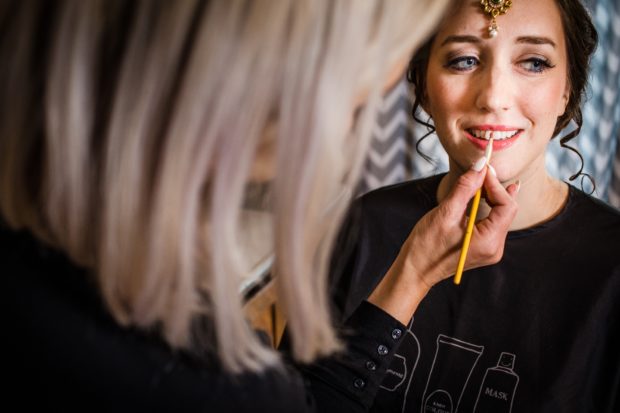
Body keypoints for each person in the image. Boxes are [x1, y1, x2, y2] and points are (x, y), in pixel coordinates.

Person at [0, 1, 521, 412]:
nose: (494, 96)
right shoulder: (197, 381)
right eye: (351, 101)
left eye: (534, 62)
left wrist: (413, 270)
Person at [328, 0, 620, 411]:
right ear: (424, 87)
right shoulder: (365, 225)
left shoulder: (611, 265)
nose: (493, 98)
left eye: (534, 62)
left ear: (568, 89)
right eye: (463, 60)